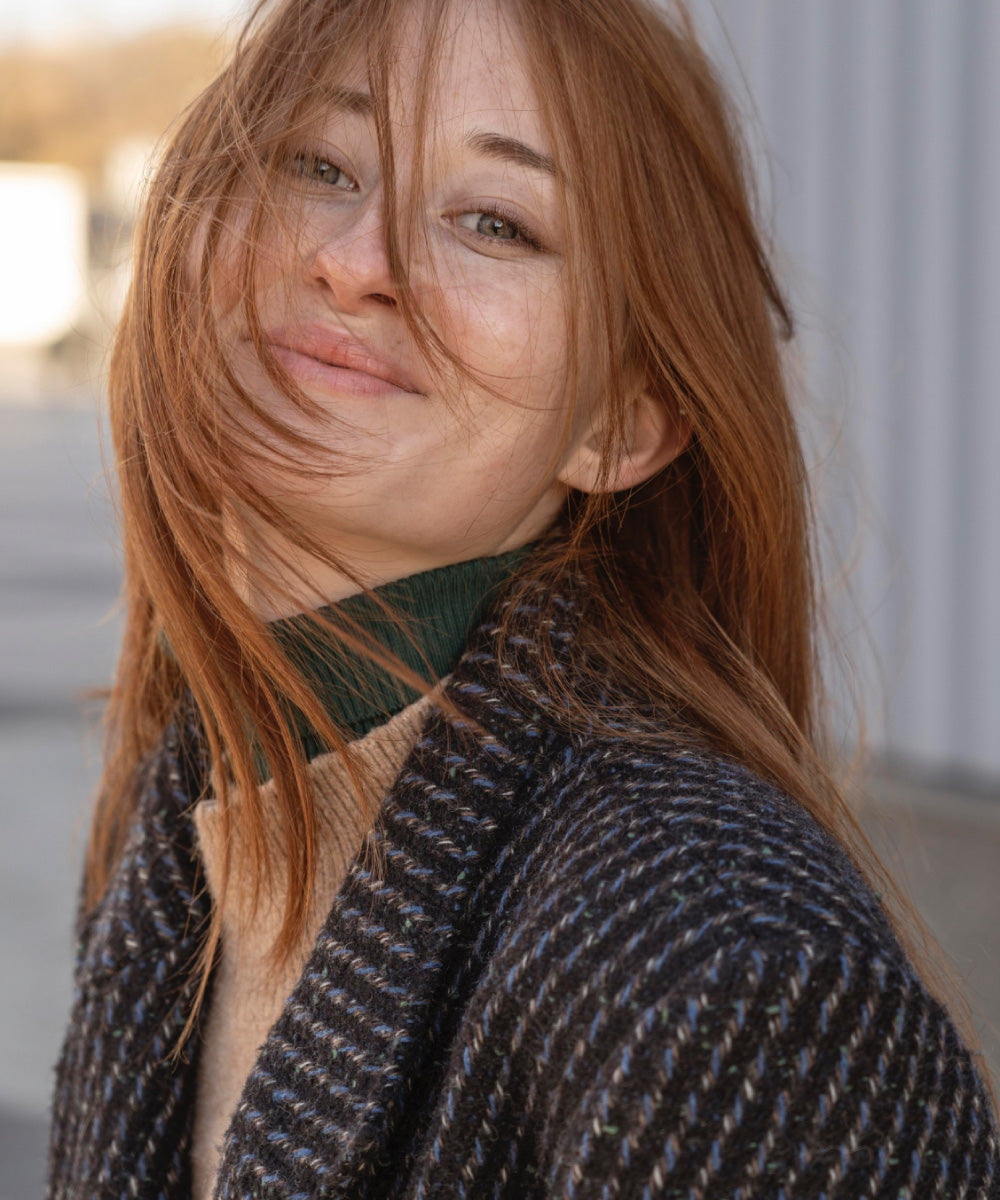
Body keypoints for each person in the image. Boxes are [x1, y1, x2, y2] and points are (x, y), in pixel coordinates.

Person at [47, 0, 999, 1195]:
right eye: (319, 164)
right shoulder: (183, 796)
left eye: (495, 222)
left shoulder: (723, 963)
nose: (354, 259)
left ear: (620, 422)